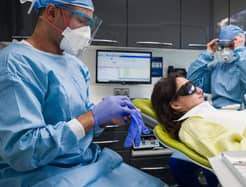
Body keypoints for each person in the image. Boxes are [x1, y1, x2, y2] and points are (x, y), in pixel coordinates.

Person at [0, 0, 166, 186]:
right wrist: (91, 117)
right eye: (81, 20)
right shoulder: (15, 64)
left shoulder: (76, 66)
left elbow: (81, 128)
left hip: (88, 163)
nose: (86, 31)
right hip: (42, 173)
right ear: (51, 13)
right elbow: (22, 151)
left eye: (90, 24)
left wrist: (104, 119)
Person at [151, 73, 246, 187]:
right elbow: (239, 154)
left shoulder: (201, 116)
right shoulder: (193, 126)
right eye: (189, 88)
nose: (200, 90)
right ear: (175, 104)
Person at [187, 24, 246, 110]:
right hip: (221, 117)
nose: (226, 49)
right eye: (222, 45)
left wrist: (240, 52)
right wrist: (207, 54)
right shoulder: (216, 67)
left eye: (230, 44)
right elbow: (192, 83)